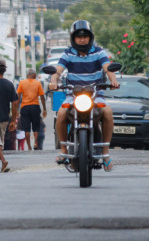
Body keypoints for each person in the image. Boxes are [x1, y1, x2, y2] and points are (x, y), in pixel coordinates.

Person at [50, 20, 119, 172]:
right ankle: (63, 150)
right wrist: (53, 80)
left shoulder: (99, 52)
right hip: (73, 96)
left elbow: (107, 68)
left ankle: (106, 153)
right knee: (61, 113)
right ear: (73, 39)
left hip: (95, 95)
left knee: (107, 112)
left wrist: (113, 79)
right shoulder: (68, 53)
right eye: (78, 36)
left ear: (90, 38)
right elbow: (58, 70)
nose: (82, 39)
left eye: (85, 36)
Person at [17, 68, 47, 150]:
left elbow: (18, 97)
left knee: (26, 129)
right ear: (35, 75)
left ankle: (29, 146)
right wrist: (44, 109)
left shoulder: (22, 83)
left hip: (24, 107)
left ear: (27, 75)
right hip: (35, 107)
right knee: (36, 127)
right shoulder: (38, 83)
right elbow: (42, 97)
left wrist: (16, 109)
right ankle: (35, 143)